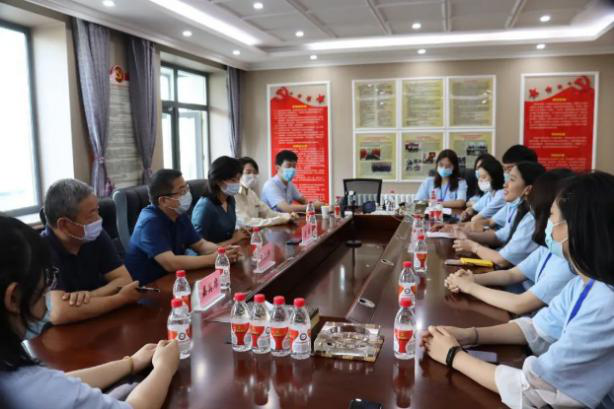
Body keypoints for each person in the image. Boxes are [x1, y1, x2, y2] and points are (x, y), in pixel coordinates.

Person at [422, 171, 614, 409]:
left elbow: (534, 390)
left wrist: (453, 355)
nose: (547, 225)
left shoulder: (605, 304)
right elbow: (536, 328)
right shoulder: (586, 282)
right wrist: (469, 335)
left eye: (552, 217)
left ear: (577, 228)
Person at [0, 216, 180, 409]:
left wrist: (130, 363)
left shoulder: (15, 373)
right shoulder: (23, 389)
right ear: (14, 298)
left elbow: (55, 385)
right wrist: (164, 367)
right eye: (45, 287)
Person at [446, 169, 576, 315]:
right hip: (525, 304)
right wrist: (472, 279)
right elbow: (512, 274)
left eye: (551, 215)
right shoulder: (549, 246)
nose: (505, 185)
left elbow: (520, 303)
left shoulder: (569, 264)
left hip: (525, 304)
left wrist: (470, 286)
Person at [41, 179, 141, 325]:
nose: (99, 219)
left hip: (97, 321)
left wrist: (89, 296)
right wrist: (121, 298)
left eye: (97, 211)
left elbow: (124, 280)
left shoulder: (95, 235)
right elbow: (60, 313)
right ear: (64, 224)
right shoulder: (41, 250)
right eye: (91, 214)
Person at [125, 169, 240, 285]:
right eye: (182, 191)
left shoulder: (178, 214)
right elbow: (171, 263)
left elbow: (200, 245)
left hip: (175, 279)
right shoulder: (149, 223)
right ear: (164, 200)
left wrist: (223, 252)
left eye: (187, 188)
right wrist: (213, 259)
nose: (187, 194)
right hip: (148, 286)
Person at [453, 162, 546, 267]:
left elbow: (503, 260)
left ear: (528, 189)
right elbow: (499, 236)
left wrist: (473, 247)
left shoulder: (531, 219)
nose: (505, 184)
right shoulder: (519, 207)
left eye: (512, 179)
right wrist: (466, 234)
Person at [191, 156, 250, 245]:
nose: (237, 183)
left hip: (229, 250)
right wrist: (234, 239)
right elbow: (199, 247)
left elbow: (226, 232)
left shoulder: (230, 199)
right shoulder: (205, 207)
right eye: (233, 180)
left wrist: (239, 232)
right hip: (213, 253)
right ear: (218, 181)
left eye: (238, 179)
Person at [235, 157, 295, 227]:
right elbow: (246, 222)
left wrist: (287, 215)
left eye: (255, 173)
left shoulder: (251, 194)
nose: (252, 175)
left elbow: (268, 213)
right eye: (248, 172)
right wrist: (280, 220)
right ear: (238, 174)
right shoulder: (233, 195)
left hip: (254, 232)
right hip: (240, 232)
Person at [459, 158, 505, 223]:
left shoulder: (501, 195)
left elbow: (475, 219)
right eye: (479, 177)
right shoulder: (490, 193)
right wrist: (467, 212)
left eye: (483, 177)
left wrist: (472, 214)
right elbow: (473, 208)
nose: (480, 180)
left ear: (494, 177)